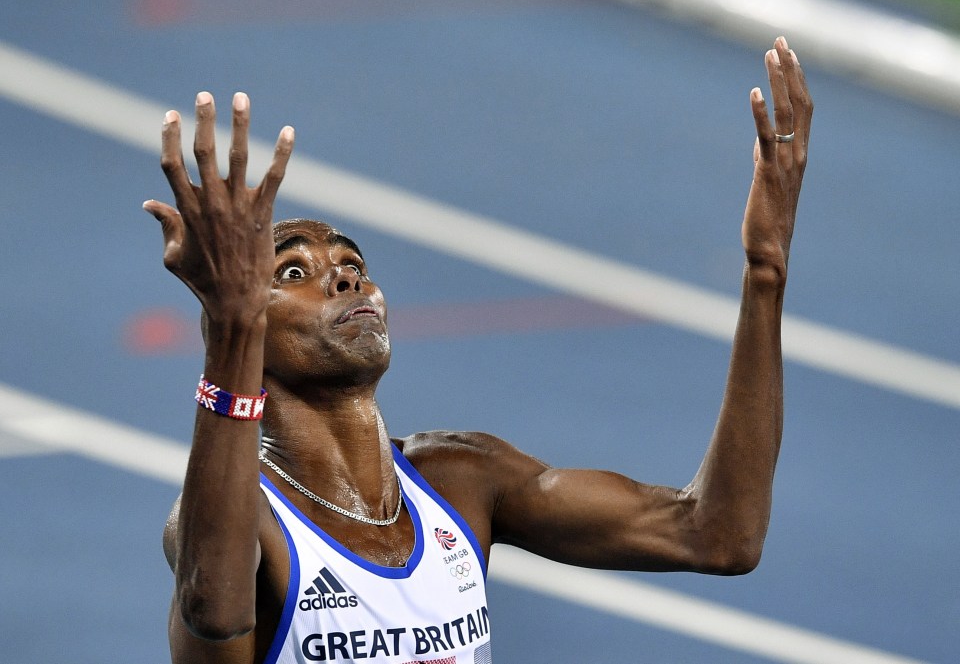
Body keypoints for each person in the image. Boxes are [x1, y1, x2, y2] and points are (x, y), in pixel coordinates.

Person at [143, 36, 812, 664]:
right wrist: (230, 323)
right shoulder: (244, 520)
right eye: (294, 272)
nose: (344, 276)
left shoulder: (459, 478)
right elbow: (213, 605)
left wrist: (765, 272)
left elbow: (718, 532)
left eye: (352, 261)